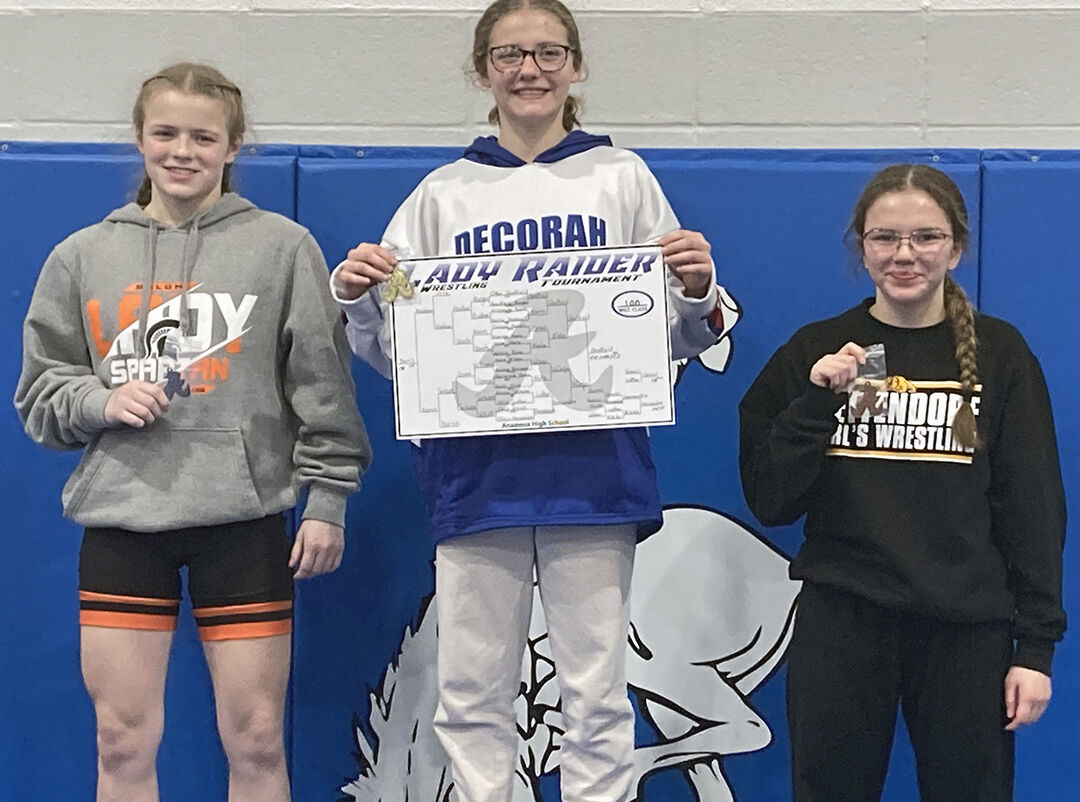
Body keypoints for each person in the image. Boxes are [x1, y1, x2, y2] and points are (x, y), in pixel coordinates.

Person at [331, 2, 739, 799]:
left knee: (594, 691)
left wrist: (697, 288)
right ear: (482, 70)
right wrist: (356, 302)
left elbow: (675, 335)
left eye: (548, 52)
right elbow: (401, 360)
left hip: (593, 473)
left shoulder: (622, 178)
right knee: (472, 694)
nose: (530, 69)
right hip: (475, 476)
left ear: (576, 66)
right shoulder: (441, 195)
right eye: (510, 53)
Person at [15, 62, 371, 802]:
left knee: (256, 739)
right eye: (165, 133)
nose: (183, 151)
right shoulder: (82, 257)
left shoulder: (282, 248)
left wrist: (329, 499)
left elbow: (323, 387)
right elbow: (40, 398)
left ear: (234, 146)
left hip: (242, 528)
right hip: (122, 524)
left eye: (203, 137)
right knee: (121, 741)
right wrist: (97, 401)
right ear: (140, 141)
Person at [738, 163, 1065, 802]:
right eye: (885, 237)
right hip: (844, 622)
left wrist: (1037, 650)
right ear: (861, 247)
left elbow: (1033, 508)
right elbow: (771, 501)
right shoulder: (818, 348)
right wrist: (815, 403)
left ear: (958, 247)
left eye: (926, 237)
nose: (904, 255)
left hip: (966, 631)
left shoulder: (1001, 355)